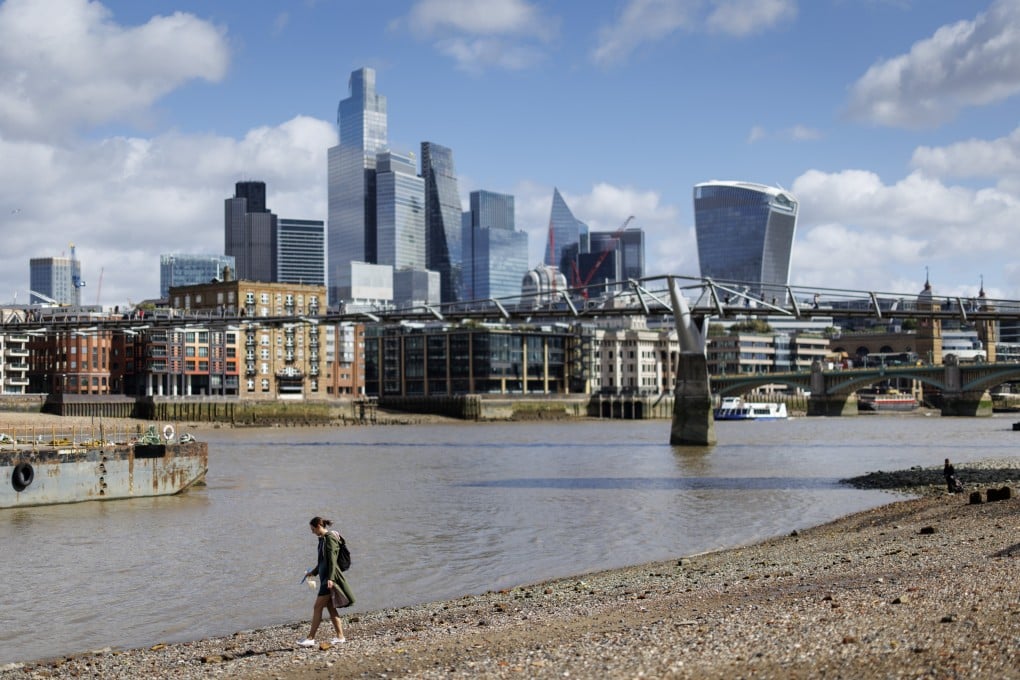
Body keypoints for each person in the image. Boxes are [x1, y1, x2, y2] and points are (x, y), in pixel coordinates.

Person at [297, 516, 355, 647]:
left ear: (318, 525)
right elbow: (322, 562)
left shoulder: (329, 539)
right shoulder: (322, 540)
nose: (312, 532)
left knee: (317, 607)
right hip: (325, 578)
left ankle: (311, 638)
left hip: (329, 580)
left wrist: (331, 579)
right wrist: (313, 572)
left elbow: (332, 561)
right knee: (330, 607)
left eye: (312, 529)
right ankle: (340, 637)